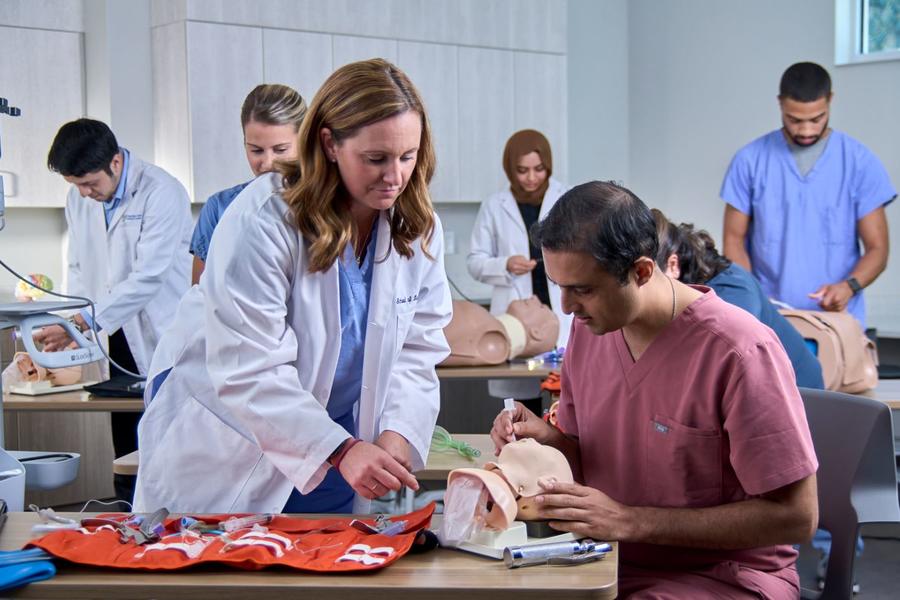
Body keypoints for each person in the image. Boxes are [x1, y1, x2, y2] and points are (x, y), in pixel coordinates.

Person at [134, 58, 452, 514]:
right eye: (376, 158)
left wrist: (398, 433)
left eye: (408, 156)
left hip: (339, 439)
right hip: (233, 435)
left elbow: (418, 348)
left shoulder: (416, 224)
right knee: (228, 576)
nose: (395, 177)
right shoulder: (264, 219)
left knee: (334, 571)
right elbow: (249, 368)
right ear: (329, 143)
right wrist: (339, 450)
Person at [492, 181, 819, 597]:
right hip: (607, 561)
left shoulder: (739, 352)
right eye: (560, 287)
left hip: (723, 575)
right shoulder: (589, 332)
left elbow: (797, 516)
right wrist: (547, 439)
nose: (567, 307)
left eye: (583, 289)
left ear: (642, 271)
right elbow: (591, 457)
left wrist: (632, 521)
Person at [39, 118, 192, 506]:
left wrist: (82, 323)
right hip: (115, 334)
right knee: (125, 444)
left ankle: (174, 528)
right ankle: (127, 525)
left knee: (169, 446)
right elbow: (79, 269)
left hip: (164, 335)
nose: (85, 193)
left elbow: (149, 277)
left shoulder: (162, 192)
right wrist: (69, 323)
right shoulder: (81, 198)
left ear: (116, 163)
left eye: (90, 182)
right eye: (76, 185)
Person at [721, 61, 895, 328]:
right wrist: (753, 300)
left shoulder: (859, 162)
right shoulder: (749, 161)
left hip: (838, 321)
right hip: (771, 319)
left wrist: (849, 287)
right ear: (780, 104)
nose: (806, 130)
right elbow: (733, 240)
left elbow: (878, 249)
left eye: (817, 119)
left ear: (830, 101)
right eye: (795, 120)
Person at [652, 209, 824, 389]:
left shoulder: (734, 292)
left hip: (798, 389)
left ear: (673, 265)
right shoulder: (677, 290)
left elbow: (717, 366)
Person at [467, 129, 571, 412]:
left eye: (539, 169)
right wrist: (504, 265)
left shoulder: (567, 200)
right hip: (518, 320)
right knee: (519, 413)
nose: (531, 177)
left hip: (560, 319)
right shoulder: (494, 206)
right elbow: (474, 262)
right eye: (522, 170)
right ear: (510, 169)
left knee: (562, 407)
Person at [190, 83, 307, 284]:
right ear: (244, 143)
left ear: (305, 141)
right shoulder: (219, 208)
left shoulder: (325, 204)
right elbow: (200, 297)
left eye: (280, 150)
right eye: (256, 150)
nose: (268, 163)